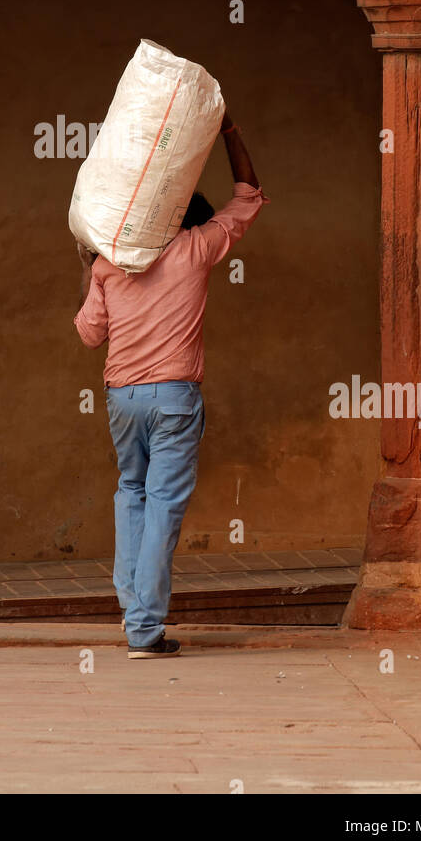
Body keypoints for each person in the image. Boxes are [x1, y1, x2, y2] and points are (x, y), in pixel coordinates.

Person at [73, 109, 267, 658]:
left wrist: (89, 266)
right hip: (174, 399)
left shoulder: (110, 264)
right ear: (192, 222)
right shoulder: (196, 250)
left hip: (120, 398)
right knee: (161, 504)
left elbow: (90, 335)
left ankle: (133, 612)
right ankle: (144, 628)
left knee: (131, 492)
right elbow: (249, 194)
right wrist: (229, 130)